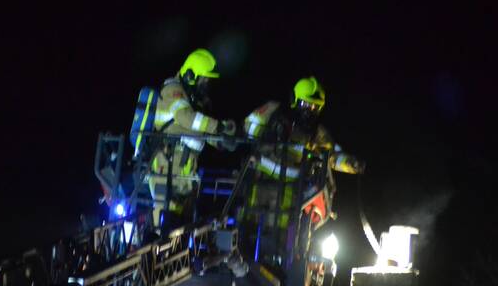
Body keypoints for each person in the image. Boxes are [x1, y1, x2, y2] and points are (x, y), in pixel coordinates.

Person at [240, 76, 364, 263]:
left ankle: (282, 261)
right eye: (306, 104)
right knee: (249, 224)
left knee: (286, 232)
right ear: (294, 100)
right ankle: (243, 254)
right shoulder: (272, 112)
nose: (309, 111)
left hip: (289, 189)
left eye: (315, 107)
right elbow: (249, 127)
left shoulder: (316, 132)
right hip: (258, 180)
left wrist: (350, 163)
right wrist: (267, 135)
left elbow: (331, 155)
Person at [147, 48, 237, 229]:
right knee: (164, 224)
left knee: (182, 225)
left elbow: (198, 131)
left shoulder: (193, 100)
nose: (206, 84)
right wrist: (217, 127)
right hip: (167, 170)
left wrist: (222, 140)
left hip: (185, 174)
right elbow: (186, 118)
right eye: (204, 79)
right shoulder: (174, 91)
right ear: (190, 75)